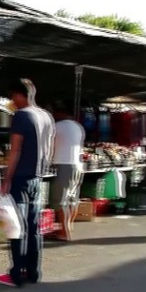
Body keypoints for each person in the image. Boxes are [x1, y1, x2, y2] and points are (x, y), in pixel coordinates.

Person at [0, 79, 53, 288]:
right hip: (38, 177)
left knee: (17, 227)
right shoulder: (46, 116)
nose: (13, 101)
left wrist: (7, 178)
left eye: (13, 97)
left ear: (19, 95)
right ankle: (34, 272)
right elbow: (49, 148)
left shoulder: (21, 115)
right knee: (34, 227)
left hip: (20, 178)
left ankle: (16, 275)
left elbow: (15, 150)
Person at [48, 101, 85, 241]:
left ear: (60, 113)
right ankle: (68, 227)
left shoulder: (57, 127)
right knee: (72, 199)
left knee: (61, 201)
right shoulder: (78, 126)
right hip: (78, 165)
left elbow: (49, 147)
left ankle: (64, 233)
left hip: (63, 165)